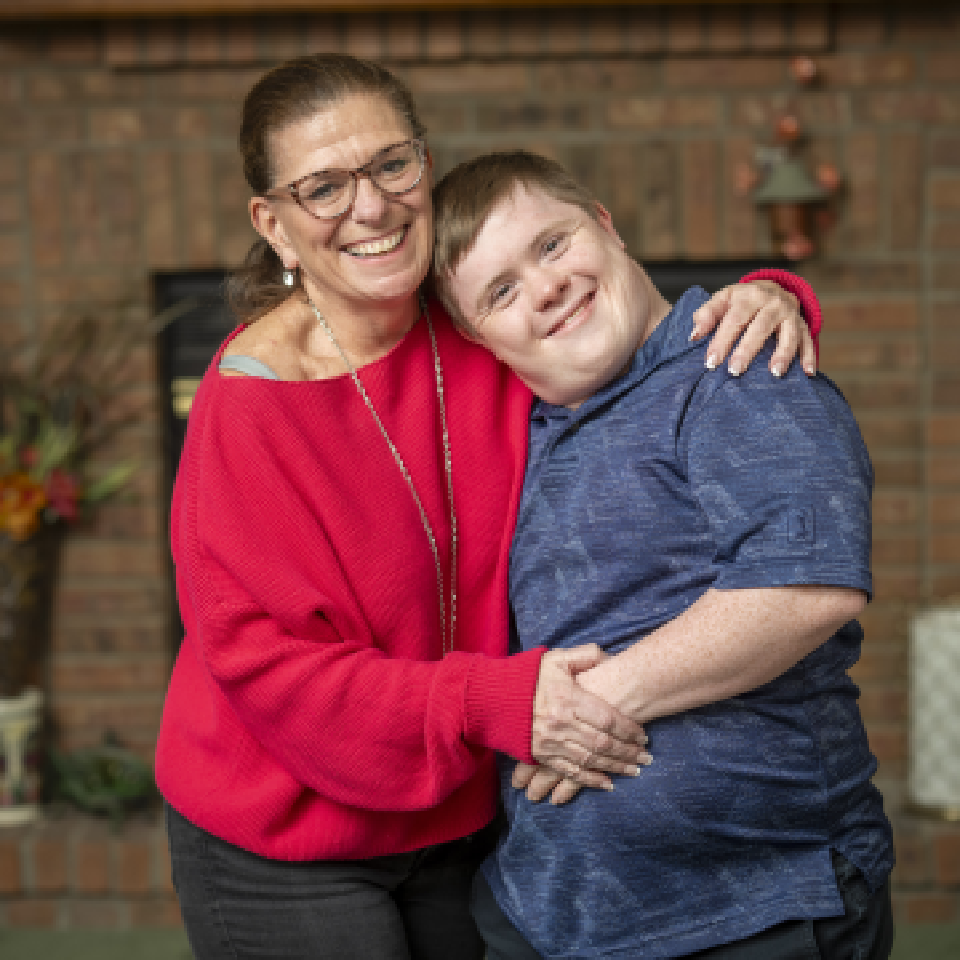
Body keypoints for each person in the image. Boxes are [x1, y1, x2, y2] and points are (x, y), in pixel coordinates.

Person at [156, 54, 824, 960]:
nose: (372, 207)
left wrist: (765, 299)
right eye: (324, 187)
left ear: (424, 164)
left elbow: (623, 321)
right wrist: (494, 702)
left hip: (466, 798)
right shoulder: (249, 405)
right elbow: (272, 672)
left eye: (392, 164)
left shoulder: (483, 317)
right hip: (285, 824)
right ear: (274, 224)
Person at [430, 150, 894, 960]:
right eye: (500, 291)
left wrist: (590, 705)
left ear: (605, 226)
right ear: (479, 339)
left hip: (757, 909)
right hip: (547, 913)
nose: (545, 288)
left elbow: (805, 587)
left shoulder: (732, 366)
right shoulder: (516, 430)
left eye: (552, 244)